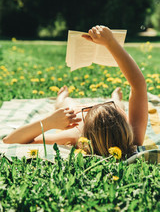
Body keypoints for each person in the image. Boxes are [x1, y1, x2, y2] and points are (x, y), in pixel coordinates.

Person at [3, 26, 148, 159]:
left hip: (77, 114)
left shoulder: (75, 134)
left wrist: (49, 122)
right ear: (126, 126)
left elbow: (9, 141)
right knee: (118, 105)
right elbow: (139, 85)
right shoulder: (133, 137)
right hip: (106, 115)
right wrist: (111, 43)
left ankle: (62, 98)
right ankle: (115, 99)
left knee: (68, 104)